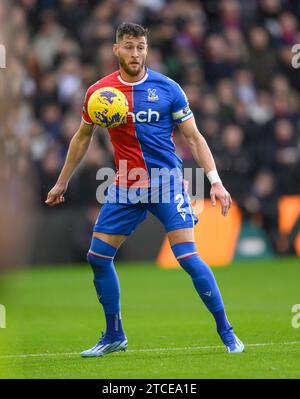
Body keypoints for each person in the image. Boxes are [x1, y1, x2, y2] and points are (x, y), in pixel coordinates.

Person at [46, 22, 244, 356]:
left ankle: (227, 332)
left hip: (167, 182)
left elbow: (193, 137)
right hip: (126, 184)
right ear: (116, 49)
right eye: (128, 46)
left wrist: (216, 183)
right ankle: (114, 335)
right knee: (97, 257)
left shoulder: (168, 88)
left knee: (188, 258)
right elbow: (82, 137)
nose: (135, 53)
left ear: (146, 49)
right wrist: (62, 180)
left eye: (140, 47)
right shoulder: (100, 93)